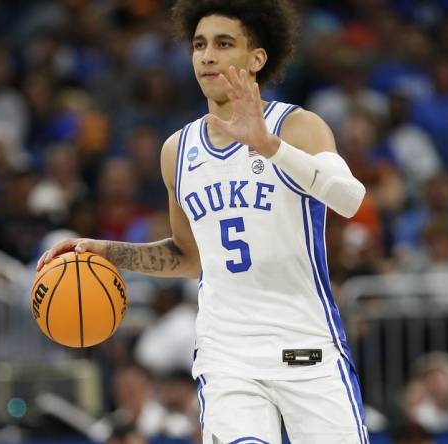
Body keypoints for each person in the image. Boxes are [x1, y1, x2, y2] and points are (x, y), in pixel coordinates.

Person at [38, 1, 368, 442]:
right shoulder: (178, 150)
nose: (207, 56)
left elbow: (349, 199)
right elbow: (187, 257)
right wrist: (108, 252)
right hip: (227, 356)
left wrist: (270, 147)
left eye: (223, 43)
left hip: (305, 348)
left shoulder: (297, 128)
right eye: (199, 45)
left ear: (257, 59)